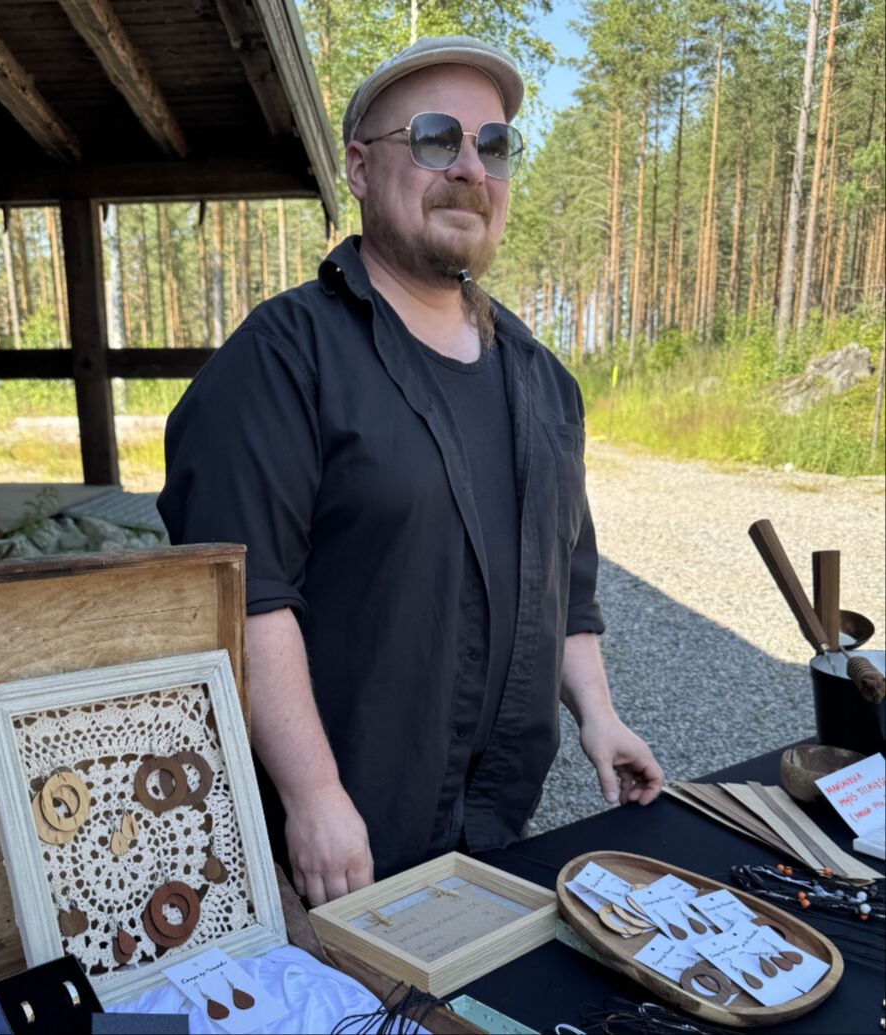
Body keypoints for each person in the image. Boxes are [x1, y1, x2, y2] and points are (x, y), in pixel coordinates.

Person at [158, 35, 663, 906]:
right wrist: (314, 796)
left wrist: (599, 716)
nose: (469, 167)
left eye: (493, 146)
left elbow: (564, 590)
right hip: (333, 847)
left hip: (495, 829)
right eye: (434, 138)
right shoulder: (281, 358)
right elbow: (244, 598)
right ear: (359, 168)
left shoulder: (543, 382)